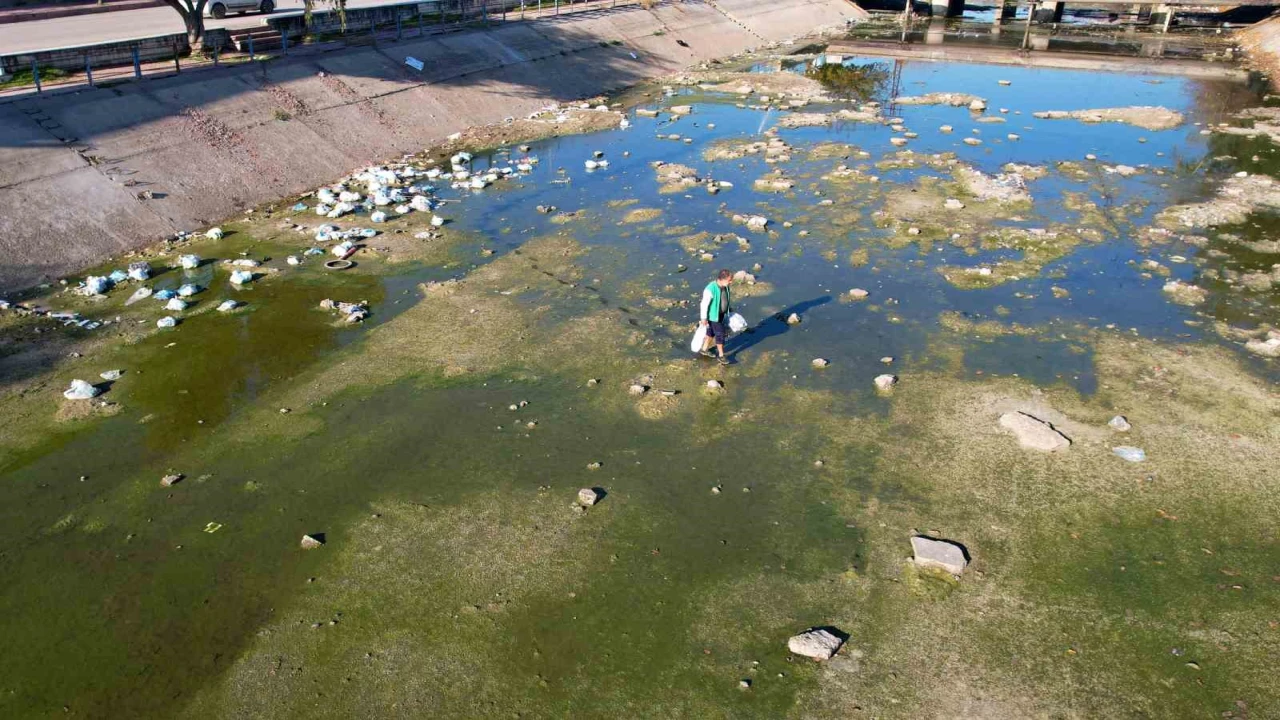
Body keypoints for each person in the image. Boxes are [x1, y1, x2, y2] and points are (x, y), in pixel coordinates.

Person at [699, 269, 733, 365]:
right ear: (722, 279)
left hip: (721, 314)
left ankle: (704, 349)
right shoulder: (710, 289)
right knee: (720, 334)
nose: (731, 282)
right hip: (713, 316)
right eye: (729, 280)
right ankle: (721, 356)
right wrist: (703, 318)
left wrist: (728, 308)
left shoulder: (725, 286)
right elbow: (704, 304)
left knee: (711, 332)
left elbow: (724, 299)